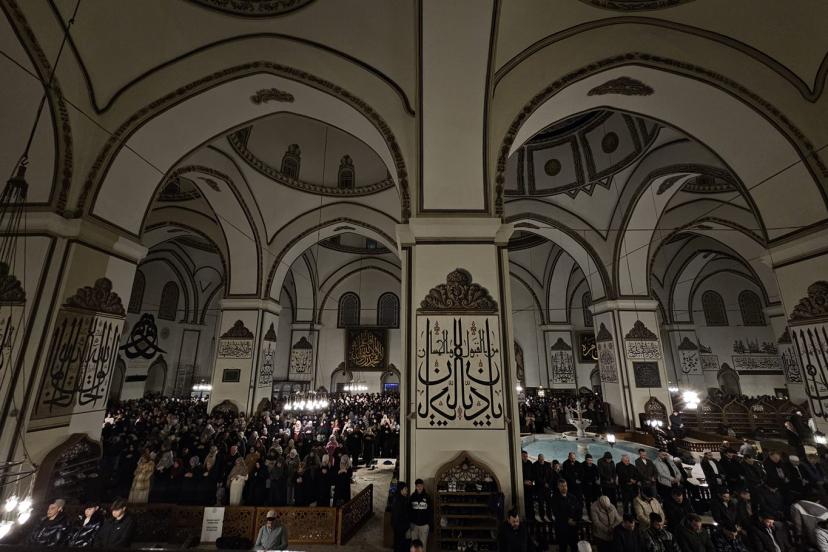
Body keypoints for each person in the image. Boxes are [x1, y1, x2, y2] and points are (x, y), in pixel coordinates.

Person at [552, 479, 582, 552]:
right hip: (562, 529)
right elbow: (556, 513)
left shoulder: (572, 497)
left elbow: (579, 510)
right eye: (562, 486)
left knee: (574, 548)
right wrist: (568, 520)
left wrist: (575, 520)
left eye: (565, 486)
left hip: (573, 529)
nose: (564, 488)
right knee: (563, 548)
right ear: (558, 487)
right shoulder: (555, 498)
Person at [409, 479, 432, 551]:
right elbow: (409, 510)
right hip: (414, 525)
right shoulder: (412, 496)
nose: (419, 487)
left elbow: (430, 511)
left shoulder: (427, 497)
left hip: (424, 525)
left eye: (421, 486)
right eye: (418, 486)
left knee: (423, 545)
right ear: (416, 486)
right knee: (414, 545)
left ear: (423, 486)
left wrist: (429, 523)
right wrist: (410, 522)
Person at [392, 482, 411, 552]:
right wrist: (406, 526)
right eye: (405, 488)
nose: (407, 490)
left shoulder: (400, 498)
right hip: (401, 529)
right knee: (401, 546)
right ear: (401, 490)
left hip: (400, 528)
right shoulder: (399, 500)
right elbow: (399, 516)